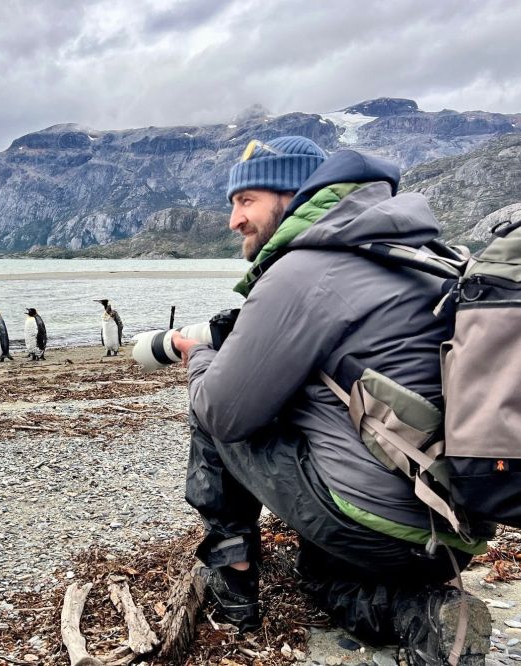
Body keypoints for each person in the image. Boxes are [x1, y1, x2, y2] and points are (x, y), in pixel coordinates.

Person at [170, 136, 493, 665]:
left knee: (211, 398)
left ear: (295, 195)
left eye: (246, 200)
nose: (234, 220)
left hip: (378, 525)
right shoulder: (426, 254)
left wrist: (201, 354)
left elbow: (224, 412)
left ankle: (233, 579)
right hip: (459, 527)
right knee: (320, 576)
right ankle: (425, 611)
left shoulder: (305, 270)